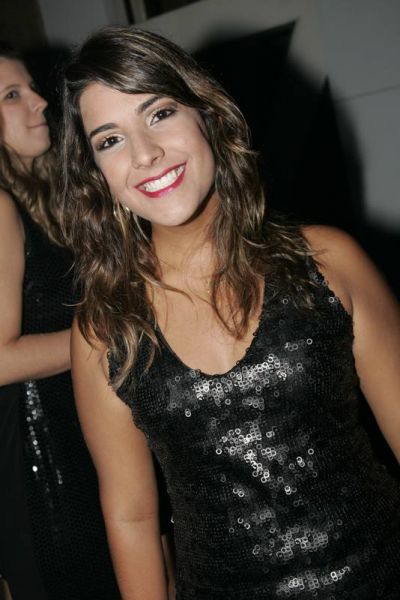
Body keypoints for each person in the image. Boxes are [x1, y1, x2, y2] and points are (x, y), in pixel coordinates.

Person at [59, 26, 400, 600]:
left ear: (208, 115)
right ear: (96, 175)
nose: (145, 153)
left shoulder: (329, 262)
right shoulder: (106, 331)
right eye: (110, 140)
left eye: (159, 113)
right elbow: (132, 518)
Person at [0, 42, 121, 599]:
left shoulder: (40, 196)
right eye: (11, 95)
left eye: (31, 87)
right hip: (43, 459)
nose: (41, 102)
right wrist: (114, 332)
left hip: (72, 438)